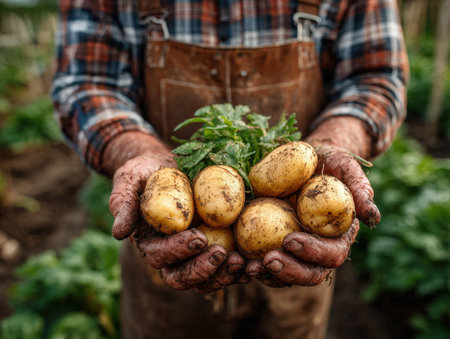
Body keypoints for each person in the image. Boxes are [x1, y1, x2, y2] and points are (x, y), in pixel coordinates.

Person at [52, 0, 409, 338]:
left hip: (295, 255)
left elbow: (376, 76)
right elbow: (86, 83)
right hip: (169, 256)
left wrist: (335, 141)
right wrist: (140, 151)